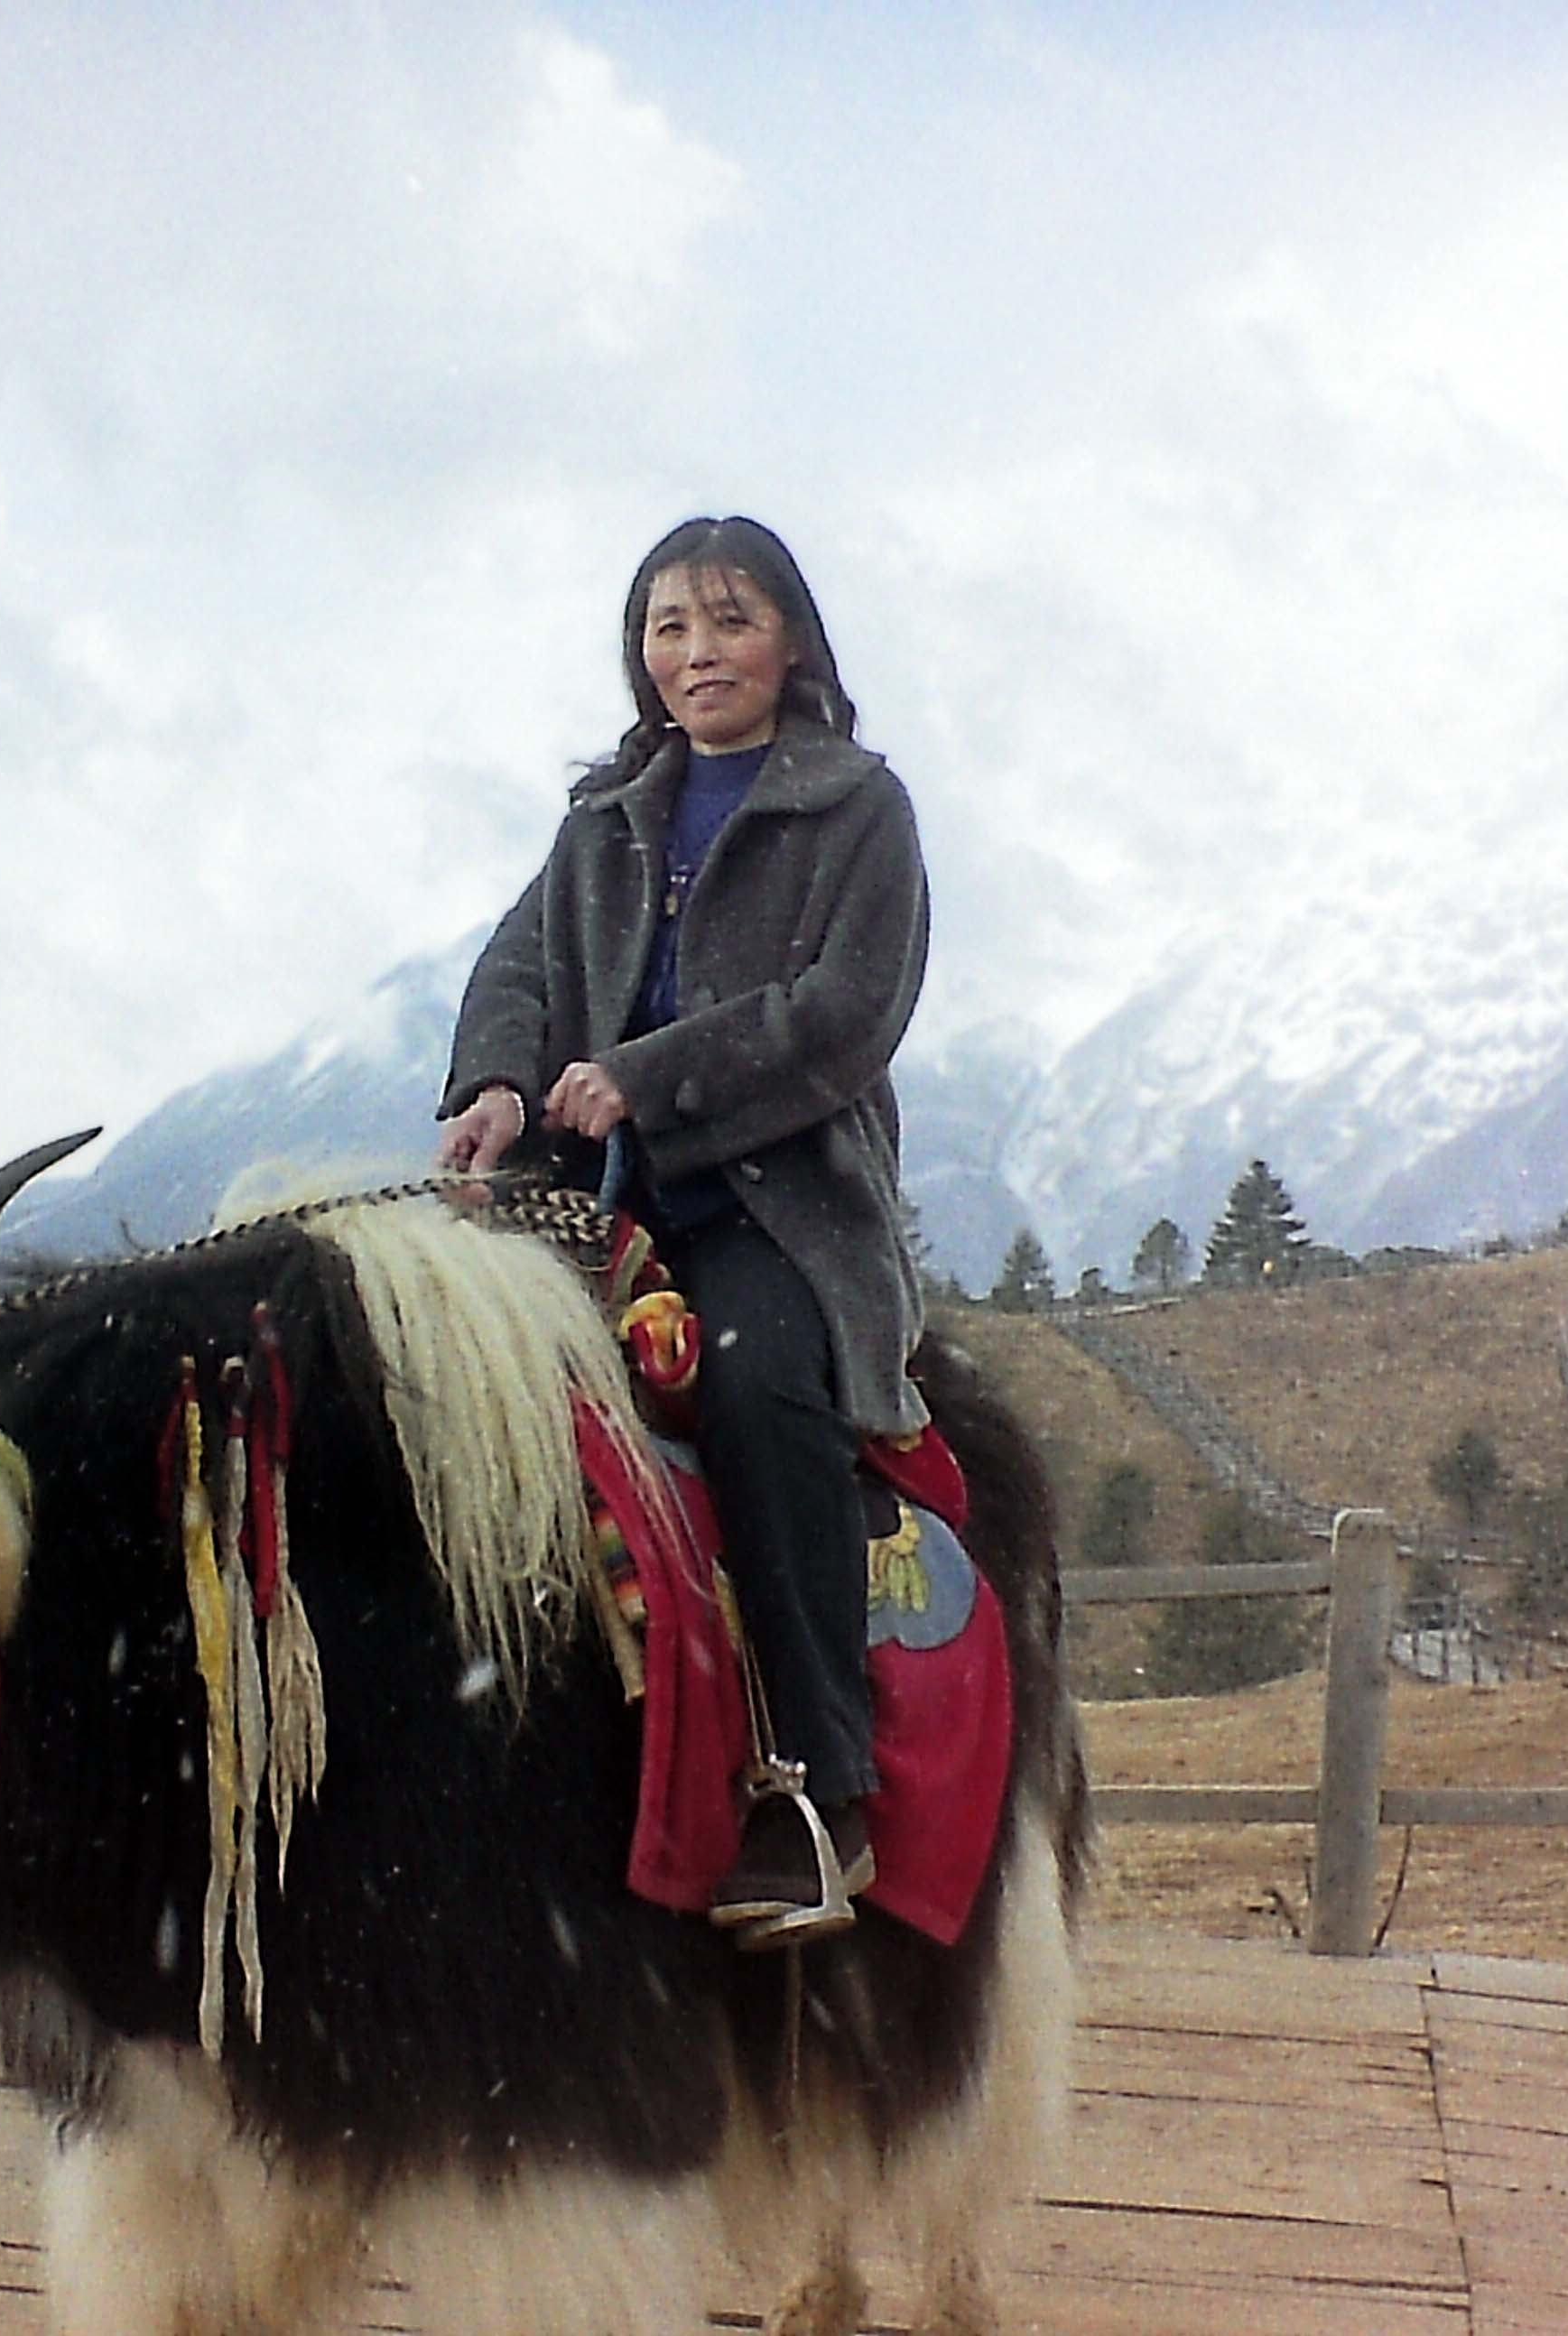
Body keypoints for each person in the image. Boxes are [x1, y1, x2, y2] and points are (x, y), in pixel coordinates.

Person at [438, 514, 928, 1949]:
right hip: (585, 1203)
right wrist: (496, 1088)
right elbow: (520, 965)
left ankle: (822, 1792)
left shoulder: (858, 811)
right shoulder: (604, 816)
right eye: (668, 626)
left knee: (760, 1391)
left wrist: (645, 1079)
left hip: (774, 1202)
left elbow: (845, 1016)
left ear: (792, 640)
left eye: (728, 621)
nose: (696, 652)